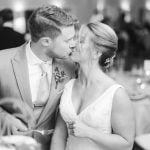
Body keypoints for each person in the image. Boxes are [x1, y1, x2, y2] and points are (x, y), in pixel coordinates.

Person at [0, 5, 78, 150]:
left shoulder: (70, 66)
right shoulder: (2, 62)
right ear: (46, 42)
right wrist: (6, 119)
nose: (73, 44)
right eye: (67, 40)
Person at [51, 22, 135, 150]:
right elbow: (59, 135)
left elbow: (127, 143)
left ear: (96, 53)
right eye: (75, 39)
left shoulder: (115, 94)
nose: (73, 44)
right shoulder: (69, 86)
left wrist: (90, 133)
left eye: (81, 41)